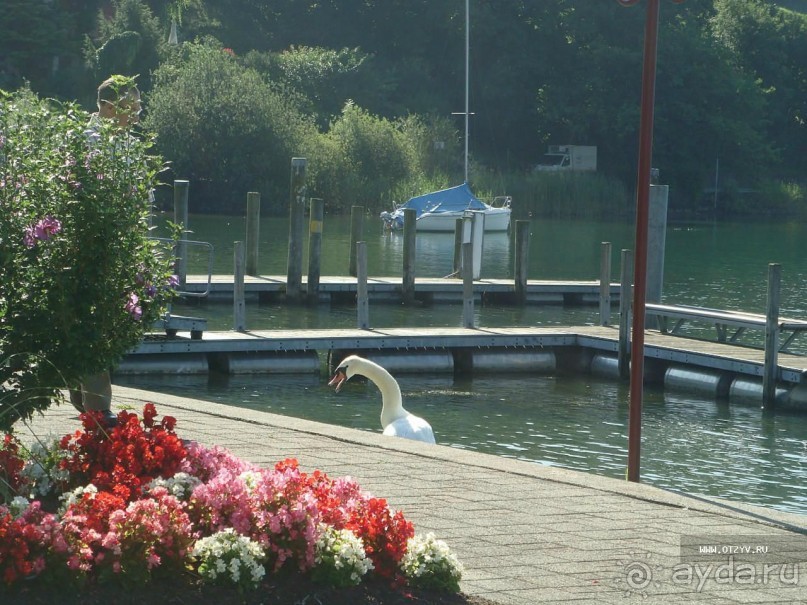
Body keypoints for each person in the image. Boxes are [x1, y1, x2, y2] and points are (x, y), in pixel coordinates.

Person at [69, 76, 144, 427]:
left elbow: (142, 198)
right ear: (110, 107)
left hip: (119, 248)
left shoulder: (128, 144)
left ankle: (84, 393)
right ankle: (99, 410)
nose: (138, 115)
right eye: (134, 107)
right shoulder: (85, 142)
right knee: (94, 327)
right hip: (87, 249)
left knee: (105, 329)